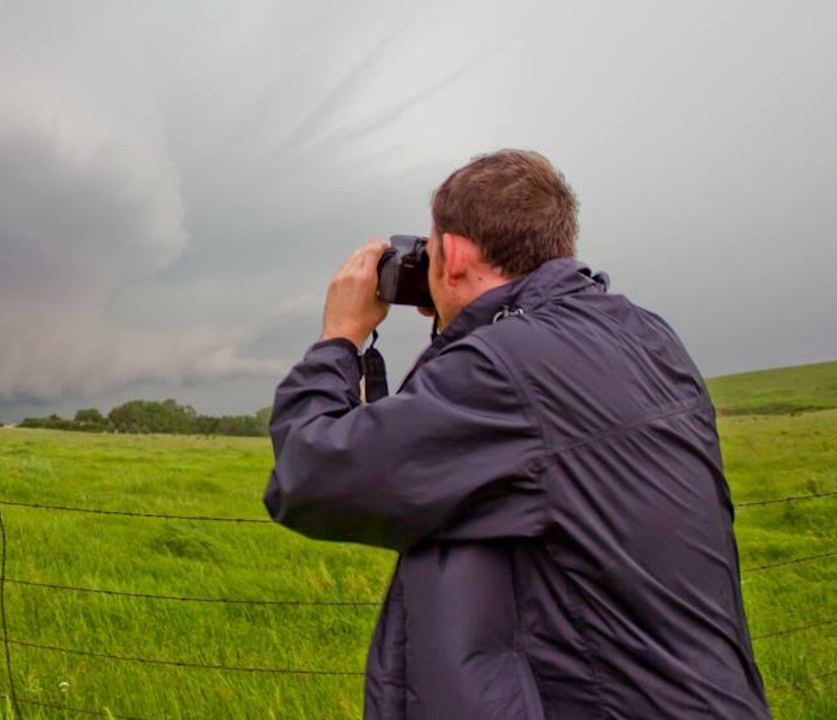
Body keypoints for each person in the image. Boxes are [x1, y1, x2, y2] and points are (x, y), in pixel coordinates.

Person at [264, 150, 770, 719]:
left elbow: (310, 476)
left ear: (451, 254)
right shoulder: (644, 334)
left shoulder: (504, 369)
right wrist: (460, 323)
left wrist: (339, 338)